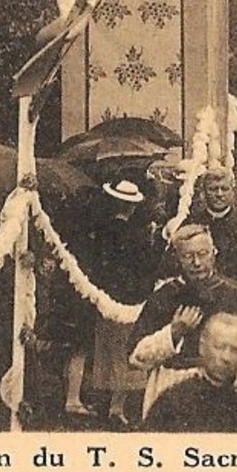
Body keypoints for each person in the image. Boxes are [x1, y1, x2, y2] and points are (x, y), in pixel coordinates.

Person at [129, 224, 237, 416]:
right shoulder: (163, 297)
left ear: (214, 254)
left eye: (203, 253)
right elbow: (135, 359)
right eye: (188, 256)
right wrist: (173, 332)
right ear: (177, 258)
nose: (196, 262)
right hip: (172, 394)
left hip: (228, 396)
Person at [74, 179, 161, 426]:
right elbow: (147, 265)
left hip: (106, 295)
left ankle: (106, 402)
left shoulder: (101, 231)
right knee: (124, 347)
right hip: (128, 297)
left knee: (106, 347)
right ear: (131, 207)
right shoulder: (137, 235)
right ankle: (117, 407)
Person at [141, 312, 237, 433]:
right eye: (219, 347)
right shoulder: (172, 403)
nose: (226, 357)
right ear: (202, 347)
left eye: (235, 350)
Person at [166, 166, 237, 303]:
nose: (219, 194)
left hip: (233, 302)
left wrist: (236, 300)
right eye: (213, 189)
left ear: (232, 192)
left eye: (224, 188)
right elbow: (170, 268)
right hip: (194, 301)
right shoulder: (190, 224)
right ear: (203, 193)